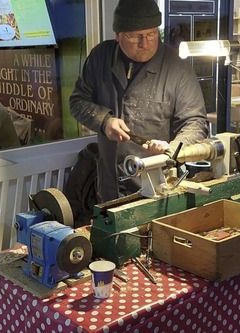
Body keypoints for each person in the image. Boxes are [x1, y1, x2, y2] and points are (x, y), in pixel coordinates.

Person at [69, 0, 209, 203]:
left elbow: (195, 122)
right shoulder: (100, 58)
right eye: (135, 36)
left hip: (157, 190)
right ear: (118, 35)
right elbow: (77, 101)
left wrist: (173, 147)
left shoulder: (178, 68)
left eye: (151, 34)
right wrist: (104, 121)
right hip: (109, 186)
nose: (145, 43)